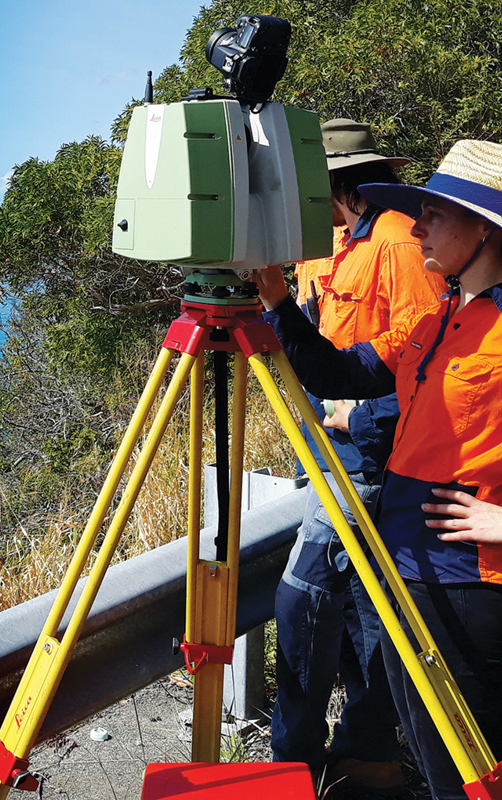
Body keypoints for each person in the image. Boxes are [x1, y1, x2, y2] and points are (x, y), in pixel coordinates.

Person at [255, 138, 502, 800]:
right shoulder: (445, 316)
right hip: (411, 569)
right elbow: (346, 370)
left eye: (436, 216)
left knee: (476, 769)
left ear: (485, 228)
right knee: (431, 748)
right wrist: (277, 302)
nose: (417, 226)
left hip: (474, 585)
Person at [270, 119, 446, 792]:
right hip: (330, 442)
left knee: (309, 594)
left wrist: (366, 417)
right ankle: (364, 752)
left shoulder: (400, 246)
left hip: (369, 454)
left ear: (331, 184)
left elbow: (426, 361)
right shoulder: (344, 241)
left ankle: (313, 756)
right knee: (358, 610)